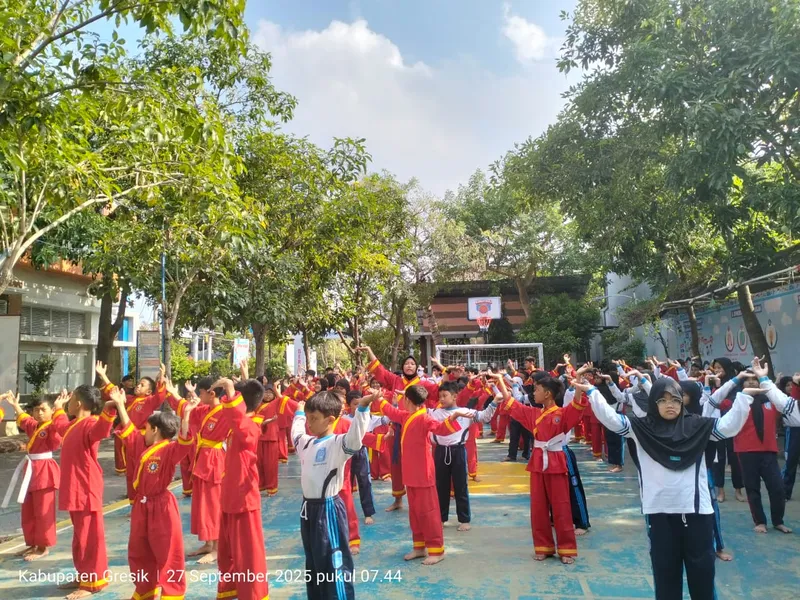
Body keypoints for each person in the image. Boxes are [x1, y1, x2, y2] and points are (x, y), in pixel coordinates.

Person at [580, 370, 752, 599]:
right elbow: (610, 420)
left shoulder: (699, 426)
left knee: (702, 574)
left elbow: (729, 426)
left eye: (675, 400)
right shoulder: (640, 428)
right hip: (660, 514)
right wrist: (592, 391)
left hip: (697, 512)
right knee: (665, 575)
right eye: (663, 400)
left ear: (682, 402)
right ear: (654, 402)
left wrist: (745, 396)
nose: (670, 405)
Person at [110, 384, 195, 600]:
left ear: (155, 429)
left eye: (146, 428)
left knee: (167, 551)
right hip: (142, 506)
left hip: (162, 506)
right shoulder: (143, 447)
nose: (143, 432)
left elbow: (184, 443)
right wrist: (120, 405)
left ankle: (172, 593)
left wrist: (185, 415)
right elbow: (128, 431)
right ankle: (145, 589)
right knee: (139, 550)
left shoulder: (169, 449)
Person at [292, 389, 377, 600]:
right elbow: (296, 433)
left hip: (327, 509)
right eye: (309, 418)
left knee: (334, 563)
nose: (310, 423)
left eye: (314, 418)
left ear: (330, 420)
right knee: (313, 563)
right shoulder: (307, 443)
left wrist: (363, 408)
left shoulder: (338, 443)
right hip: (307, 511)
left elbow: (356, 438)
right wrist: (299, 413)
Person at [371, 385, 469, 564]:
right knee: (415, 513)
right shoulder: (406, 416)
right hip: (411, 474)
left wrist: (453, 418)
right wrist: (378, 398)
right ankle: (419, 547)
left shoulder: (424, 418)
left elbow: (441, 429)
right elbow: (390, 411)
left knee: (429, 513)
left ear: (407, 400)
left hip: (424, 474)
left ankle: (437, 549)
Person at [503, 369, 590, 564]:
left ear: (548, 393)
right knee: (538, 507)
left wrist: (577, 380)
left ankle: (567, 549)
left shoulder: (562, 413)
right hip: (537, 462)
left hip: (556, 460)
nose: (533, 393)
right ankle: (544, 547)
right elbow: (511, 404)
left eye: (537, 389)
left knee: (561, 507)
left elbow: (577, 404)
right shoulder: (533, 413)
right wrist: (500, 381)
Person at [706, 358, 794, 534]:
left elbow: (787, 403)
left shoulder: (771, 402)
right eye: (748, 379)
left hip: (769, 452)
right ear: (743, 383)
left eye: (755, 379)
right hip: (746, 452)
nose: (752, 381)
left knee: (777, 488)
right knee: (752, 489)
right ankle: (760, 522)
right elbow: (714, 402)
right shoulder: (736, 402)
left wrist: (770, 383)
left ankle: (778, 521)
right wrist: (731, 381)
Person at [51, 385, 116, 599]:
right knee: (80, 537)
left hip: (86, 488)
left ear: (78, 403)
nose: (68, 403)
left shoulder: (91, 422)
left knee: (90, 537)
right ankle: (83, 575)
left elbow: (102, 430)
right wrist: (58, 408)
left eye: (71, 400)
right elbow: (60, 425)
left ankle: (92, 583)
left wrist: (109, 410)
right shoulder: (73, 425)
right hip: (74, 488)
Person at [359, 345, 441, 512]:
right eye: (406, 363)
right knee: (396, 464)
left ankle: (421, 499)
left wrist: (445, 370)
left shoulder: (424, 383)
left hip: (416, 427)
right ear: (402, 367)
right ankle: (398, 500)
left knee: (419, 462)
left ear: (416, 367)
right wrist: (369, 350)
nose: (409, 366)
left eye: (412, 363)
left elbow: (440, 391)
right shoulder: (396, 380)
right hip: (397, 426)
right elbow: (379, 369)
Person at [213, 377, 271, 600]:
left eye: (230, 398)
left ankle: (254, 595)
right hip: (229, 497)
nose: (225, 401)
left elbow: (238, 420)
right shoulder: (241, 423)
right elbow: (234, 416)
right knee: (227, 554)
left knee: (248, 556)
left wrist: (230, 390)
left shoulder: (251, 426)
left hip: (243, 501)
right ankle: (230, 591)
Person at [431, 379, 501, 531]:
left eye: (445, 395)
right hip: (440, 451)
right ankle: (441, 518)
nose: (442, 399)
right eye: (440, 396)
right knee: (440, 486)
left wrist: (495, 402)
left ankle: (464, 519)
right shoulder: (434, 413)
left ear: (455, 396)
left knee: (460, 486)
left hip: (458, 451)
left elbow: (484, 417)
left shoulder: (464, 412)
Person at [1, 391, 60, 561]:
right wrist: (15, 405)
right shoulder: (34, 426)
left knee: (43, 512)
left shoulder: (52, 427)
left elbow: (58, 434)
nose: (39, 413)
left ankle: (43, 547)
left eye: (43, 409)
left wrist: (60, 409)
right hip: (31, 469)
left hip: (45, 470)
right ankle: (33, 543)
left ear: (51, 412)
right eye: (36, 409)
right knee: (29, 510)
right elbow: (24, 418)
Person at [96, 361, 165, 496]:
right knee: (131, 471)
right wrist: (103, 376)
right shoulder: (129, 399)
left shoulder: (149, 400)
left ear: (149, 391)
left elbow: (160, 396)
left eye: (142, 385)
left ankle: (144, 497)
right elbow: (114, 392)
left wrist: (161, 377)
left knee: (142, 468)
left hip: (141, 439)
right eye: (138, 383)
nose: (138, 385)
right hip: (129, 436)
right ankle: (133, 501)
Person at [185, 376, 235, 563]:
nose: (199, 395)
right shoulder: (206, 410)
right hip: (202, 459)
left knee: (213, 504)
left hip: (214, 460)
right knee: (202, 504)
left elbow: (236, 407)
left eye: (201, 392)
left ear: (211, 393)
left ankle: (217, 548)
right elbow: (188, 409)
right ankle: (208, 542)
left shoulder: (224, 411)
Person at [708, 357, 746, 503]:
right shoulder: (712, 383)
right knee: (719, 459)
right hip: (716, 426)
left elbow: (727, 404)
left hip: (731, 425)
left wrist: (716, 400)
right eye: (715, 368)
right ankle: (720, 491)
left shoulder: (735, 385)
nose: (717, 371)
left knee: (735, 458)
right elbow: (709, 402)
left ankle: (738, 490)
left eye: (720, 368)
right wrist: (716, 388)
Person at [254, 383, 281, 495]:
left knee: (270, 464)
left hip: (271, 437)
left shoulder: (276, 403)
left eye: (270, 393)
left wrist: (277, 390)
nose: (268, 395)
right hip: (259, 436)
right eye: (266, 392)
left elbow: (283, 399)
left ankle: (271, 487)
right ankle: (260, 485)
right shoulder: (257, 404)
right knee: (258, 463)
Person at [778, 374, 800, 500]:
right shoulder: (787, 399)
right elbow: (794, 401)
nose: (790, 387)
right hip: (794, 430)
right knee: (791, 463)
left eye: (793, 385)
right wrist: (796, 384)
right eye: (788, 385)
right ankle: (785, 492)